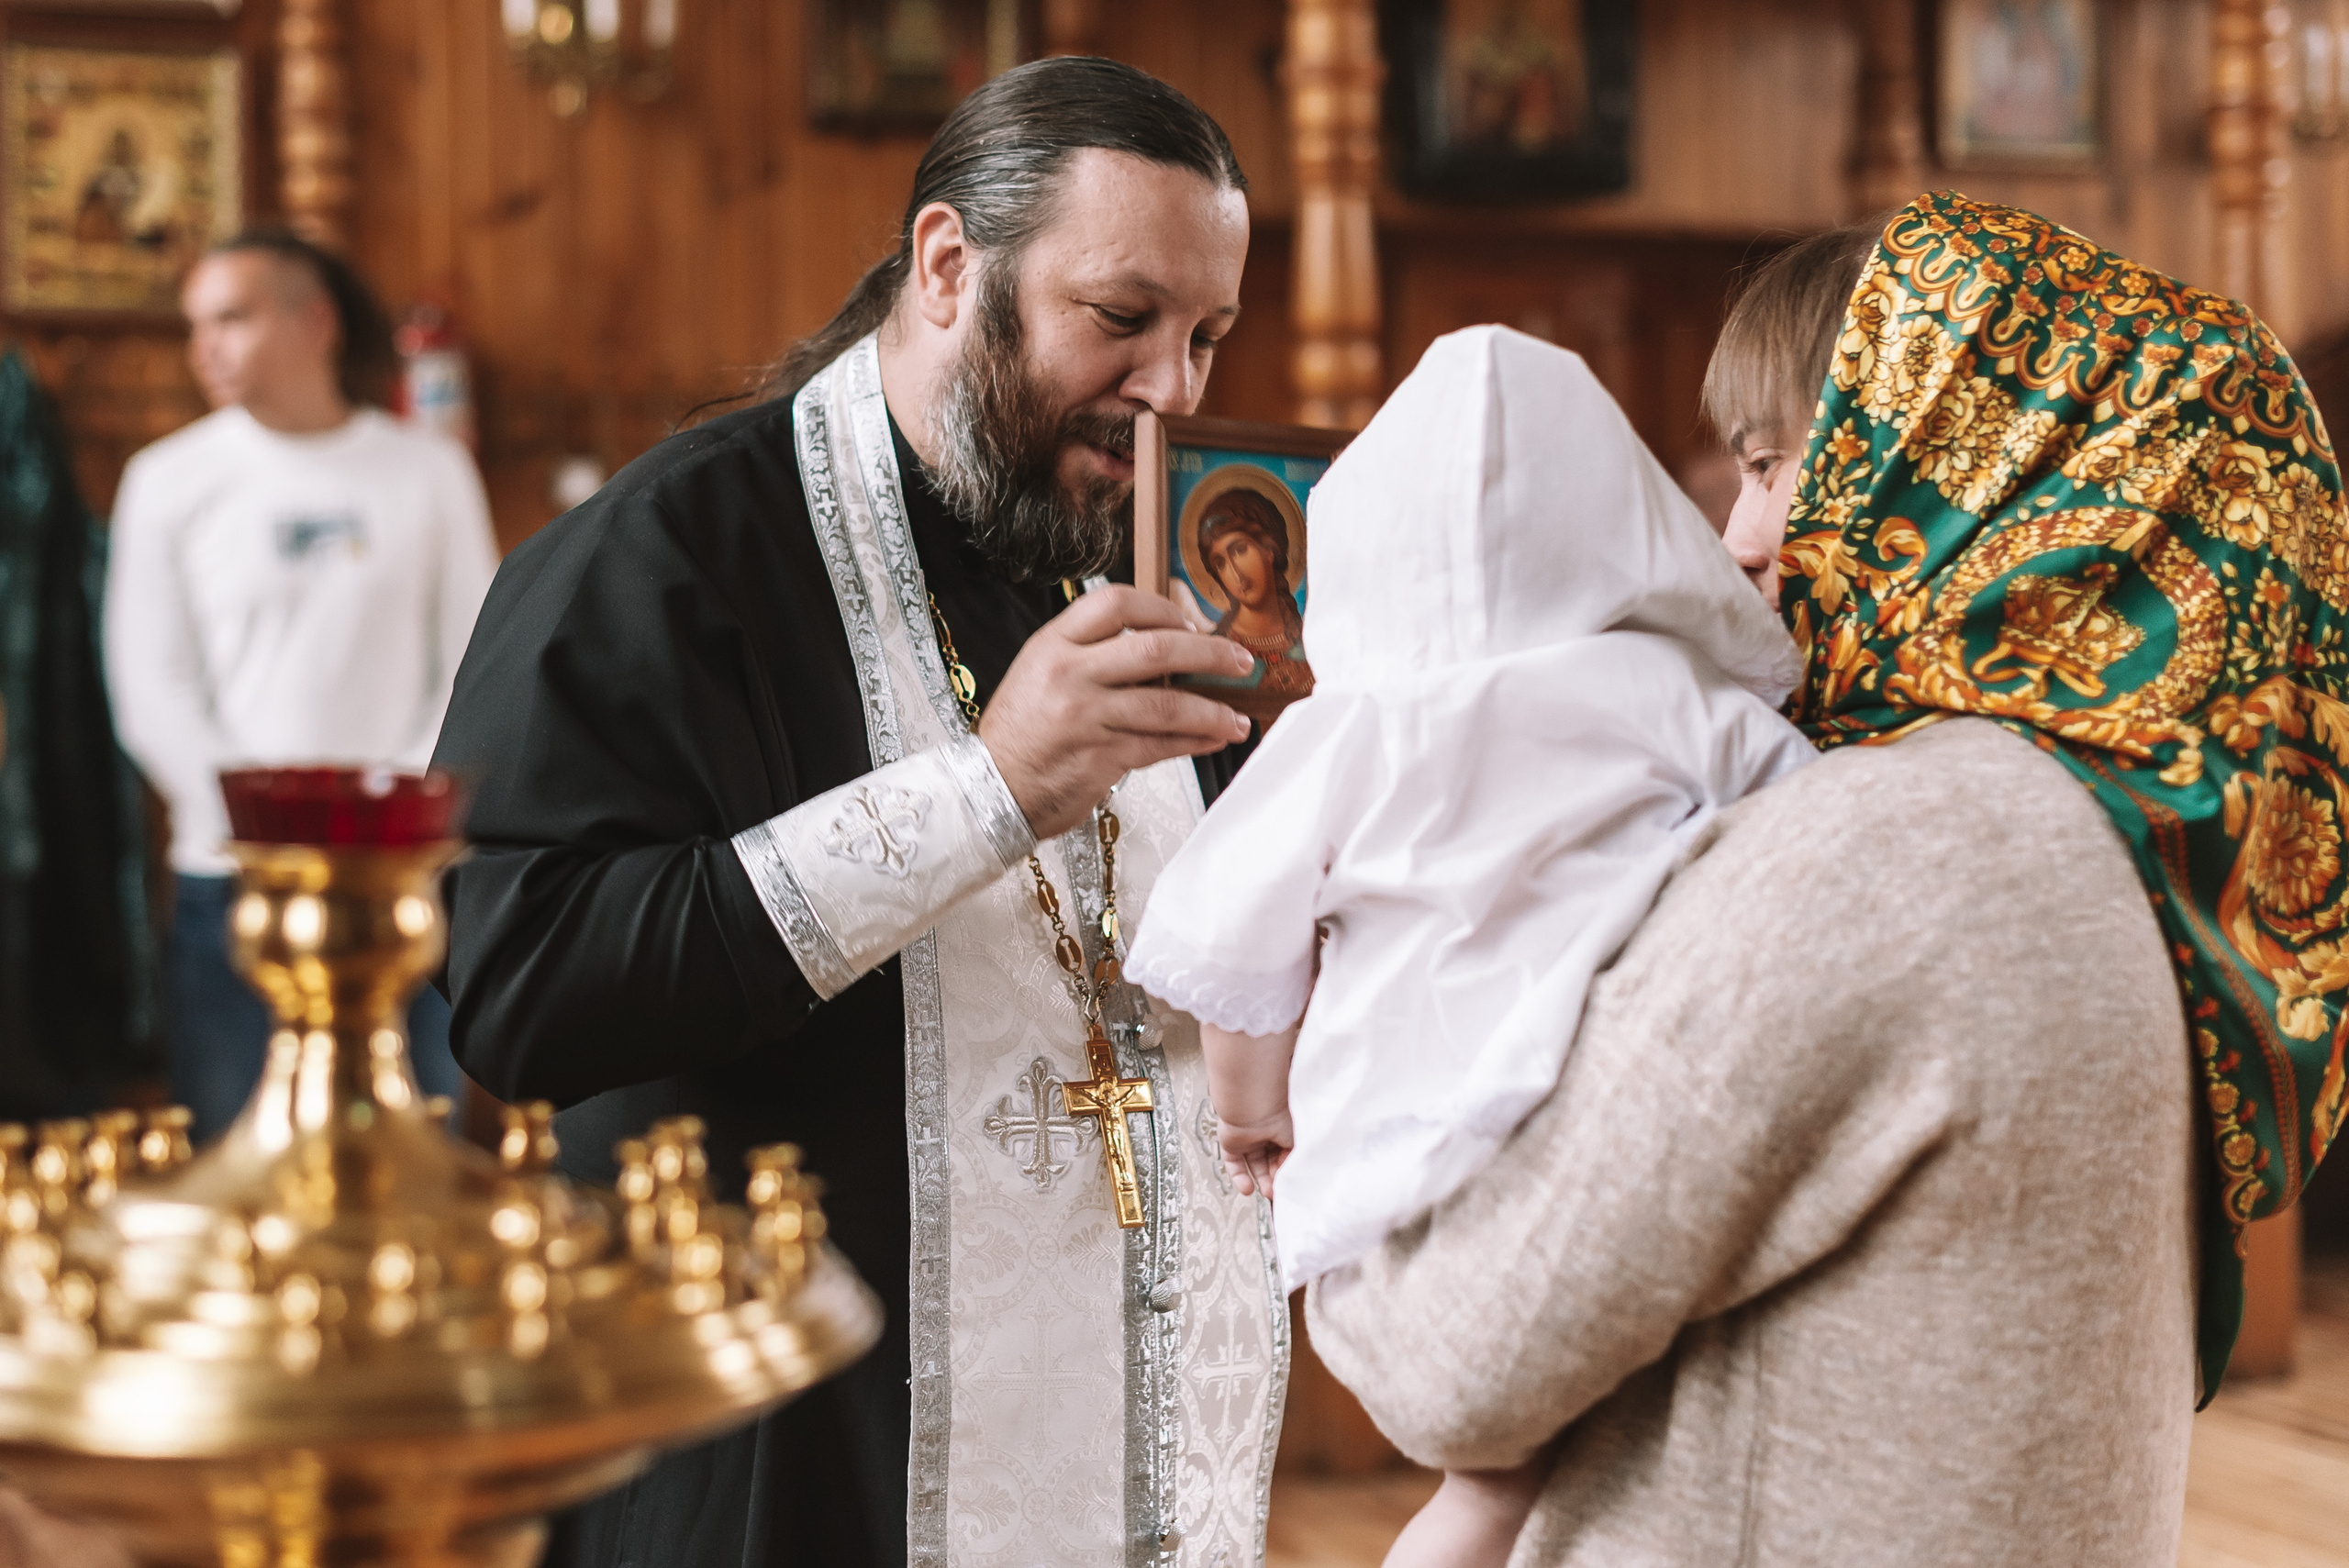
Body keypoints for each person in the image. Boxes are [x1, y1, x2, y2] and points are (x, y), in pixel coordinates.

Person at [1306, 189, 2349, 1564]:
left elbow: (1457, 1354)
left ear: (1967, 462)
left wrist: (1311, 1114)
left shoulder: (1889, 850)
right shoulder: (2123, 849)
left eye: (1779, 463)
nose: (1738, 538)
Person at [431, 59, 1287, 1567]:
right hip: (788, 1454)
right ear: (952, 263)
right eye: (1123, 317)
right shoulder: (663, 559)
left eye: (1208, 333)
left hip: (1114, 1434)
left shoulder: (1121, 552)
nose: (1178, 391)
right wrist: (988, 788)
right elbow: (521, 989)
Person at [1127, 324, 1814, 1568]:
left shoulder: (1343, 732)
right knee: (1556, 1461)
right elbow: (1813, 828)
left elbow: (1231, 935)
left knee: (1482, 1487)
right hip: (1597, 1124)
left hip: (1396, 1131)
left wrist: (1251, 1115)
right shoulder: (1678, 697)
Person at [105, 231, 497, 1142]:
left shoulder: (427, 469)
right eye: (196, 324)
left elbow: (475, 666)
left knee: (412, 1164)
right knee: (237, 1164)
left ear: (313, 321)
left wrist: (381, 811)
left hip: (399, 878)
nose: (206, 344)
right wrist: (271, 818)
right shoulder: (166, 480)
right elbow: (150, 690)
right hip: (235, 879)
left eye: (232, 317)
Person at [1197, 487, 1312, 693]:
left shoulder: (1317, 642)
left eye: (1240, 550)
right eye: (1220, 564)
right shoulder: (1209, 658)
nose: (1235, 573)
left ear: (1270, 549)